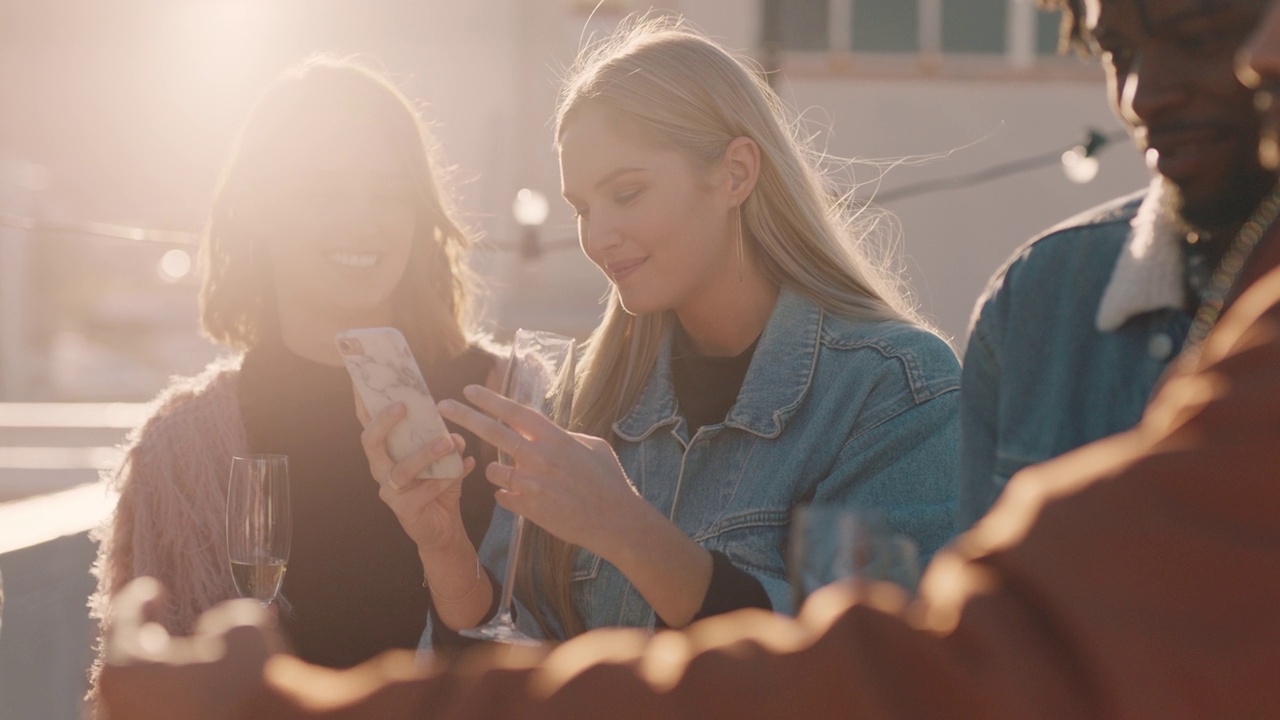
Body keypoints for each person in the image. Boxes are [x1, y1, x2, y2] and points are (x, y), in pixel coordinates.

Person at [356, 14, 960, 646]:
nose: (596, 237)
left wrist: (628, 531)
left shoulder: (893, 392)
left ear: (735, 174)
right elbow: (518, 673)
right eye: (583, 209)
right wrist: (447, 549)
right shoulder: (583, 399)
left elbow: (869, 670)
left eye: (628, 193)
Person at [88, 54, 502, 692]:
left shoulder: (510, 405)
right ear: (257, 209)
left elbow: (575, 658)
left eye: (390, 193)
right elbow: (144, 696)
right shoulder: (179, 451)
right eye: (322, 191)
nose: (361, 219)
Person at [957, 0, 1280, 530]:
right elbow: (974, 597)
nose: (1143, 96)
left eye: (1198, 40)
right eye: (1117, 52)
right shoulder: (1038, 299)